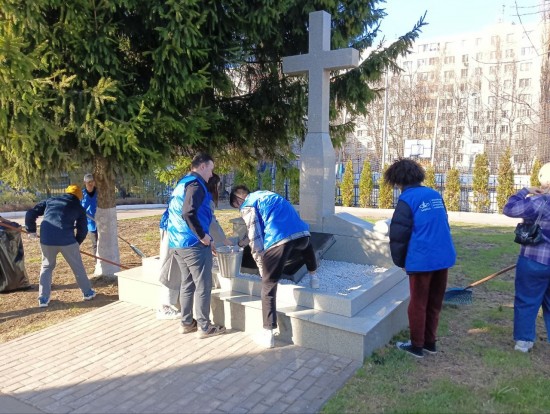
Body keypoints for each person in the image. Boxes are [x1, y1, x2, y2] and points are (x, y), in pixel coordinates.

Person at [229, 185, 318, 349]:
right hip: (302, 235)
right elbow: (256, 230)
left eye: (237, 206)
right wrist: (241, 244)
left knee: (268, 285)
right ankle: (314, 278)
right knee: (307, 247)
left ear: (238, 199)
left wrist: (262, 266)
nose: (239, 210)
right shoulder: (267, 195)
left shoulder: (248, 205)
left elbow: (255, 236)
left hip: (279, 240)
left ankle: (267, 332)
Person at [385, 158, 456, 358]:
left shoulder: (407, 200)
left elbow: (399, 235)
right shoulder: (434, 195)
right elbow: (444, 224)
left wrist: (400, 261)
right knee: (435, 302)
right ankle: (430, 343)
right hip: (443, 257)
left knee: (418, 303)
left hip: (422, 260)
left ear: (397, 181)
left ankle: (416, 346)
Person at [166, 153, 226, 338]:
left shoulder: (182, 182)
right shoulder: (196, 184)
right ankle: (204, 327)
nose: (211, 173)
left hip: (177, 242)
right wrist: (202, 237)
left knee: (188, 282)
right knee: (203, 285)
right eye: (211, 169)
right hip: (192, 243)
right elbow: (188, 213)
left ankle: (186, 323)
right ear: (202, 167)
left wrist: (208, 237)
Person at [156, 173, 230, 319]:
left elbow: (205, 221)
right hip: (175, 231)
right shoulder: (201, 192)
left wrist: (214, 240)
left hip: (177, 232)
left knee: (184, 276)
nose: (219, 189)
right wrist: (222, 239)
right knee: (170, 267)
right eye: (218, 186)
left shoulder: (195, 188)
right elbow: (206, 220)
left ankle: (185, 319)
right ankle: (165, 306)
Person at [503, 162, 550, 353]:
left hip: (534, 259)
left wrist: (525, 191)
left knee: (526, 299)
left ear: (544, 180)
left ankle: (524, 342)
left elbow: (510, 209)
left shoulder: (541, 202)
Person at [25, 185, 96, 308]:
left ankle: (43, 298)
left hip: (46, 239)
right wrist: (76, 243)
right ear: (79, 196)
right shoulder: (79, 207)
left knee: (46, 267)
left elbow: (30, 213)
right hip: (67, 241)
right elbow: (83, 230)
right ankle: (88, 293)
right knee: (77, 267)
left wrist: (31, 230)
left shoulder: (51, 200)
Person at [81, 173, 98, 254]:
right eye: (88, 182)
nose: (90, 184)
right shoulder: (82, 194)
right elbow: (80, 209)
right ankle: (97, 263)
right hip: (91, 223)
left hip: (102, 221)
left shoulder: (99, 193)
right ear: (85, 183)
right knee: (95, 244)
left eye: (92, 181)